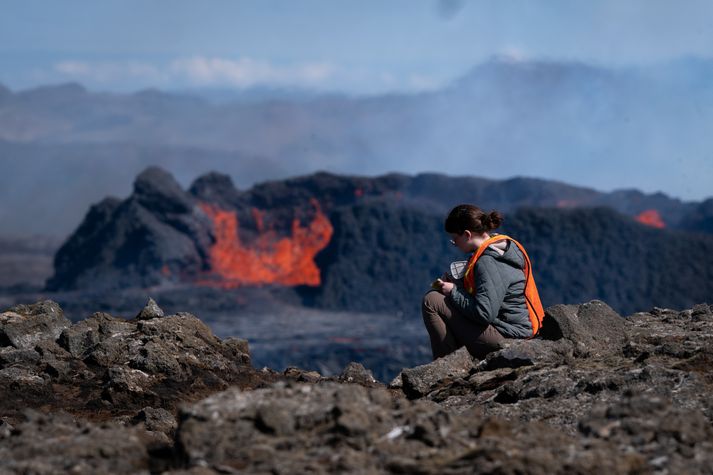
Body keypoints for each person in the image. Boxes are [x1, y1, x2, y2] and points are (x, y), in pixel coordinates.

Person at [422, 204, 544, 360]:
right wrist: (457, 286)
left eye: (454, 239)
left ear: (467, 234)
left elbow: (484, 313)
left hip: (510, 338)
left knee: (431, 301)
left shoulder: (487, 261)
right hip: (518, 331)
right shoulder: (499, 249)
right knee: (441, 299)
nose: (455, 244)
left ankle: (444, 366)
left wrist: (453, 291)